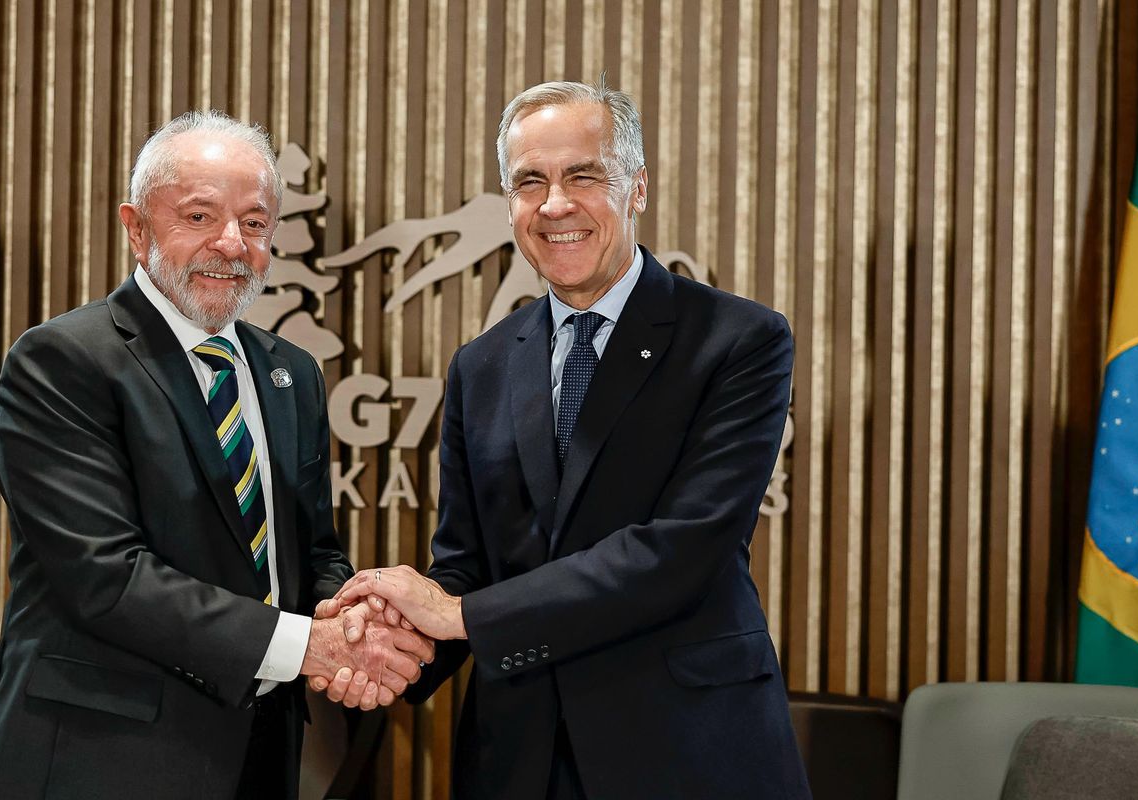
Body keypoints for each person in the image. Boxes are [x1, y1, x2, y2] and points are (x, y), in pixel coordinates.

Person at [322, 81, 812, 798]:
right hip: (519, 757)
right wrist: (386, 646)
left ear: (637, 187)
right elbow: (466, 565)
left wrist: (457, 615)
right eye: (531, 182)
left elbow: (686, 547)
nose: (555, 205)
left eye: (584, 176)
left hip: (686, 749)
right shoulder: (481, 366)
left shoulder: (739, 339)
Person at [0, 110, 433, 799]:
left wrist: (347, 613)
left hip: (260, 752)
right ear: (136, 228)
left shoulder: (292, 373)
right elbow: (107, 577)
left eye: (255, 222)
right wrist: (310, 646)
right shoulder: (62, 361)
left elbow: (309, 553)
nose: (231, 244)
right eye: (198, 216)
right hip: (102, 759)